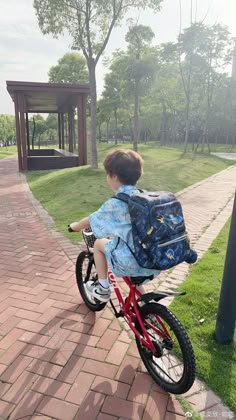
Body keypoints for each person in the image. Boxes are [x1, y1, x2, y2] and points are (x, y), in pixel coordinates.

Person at [69, 149, 160, 302]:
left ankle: (103, 288)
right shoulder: (145, 197)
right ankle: (147, 304)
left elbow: (92, 220)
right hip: (154, 258)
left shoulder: (116, 203)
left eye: (108, 174)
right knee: (131, 264)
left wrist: (75, 226)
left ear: (114, 177)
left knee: (98, 244)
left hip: (134, 261)